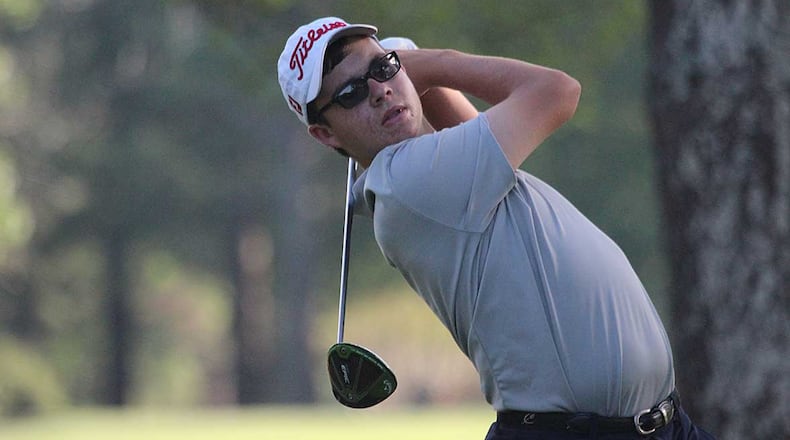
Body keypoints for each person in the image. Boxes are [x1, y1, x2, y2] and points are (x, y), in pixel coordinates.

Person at [278, 16, 716, 440]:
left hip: (660, 425)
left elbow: (462, 125)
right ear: (325, 134)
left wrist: (406, 77)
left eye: (382, 68)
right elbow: (557, 92)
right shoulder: (408, 181)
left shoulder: (441, 175)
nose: (379, 90)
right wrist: (429, 63)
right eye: (352, 92)